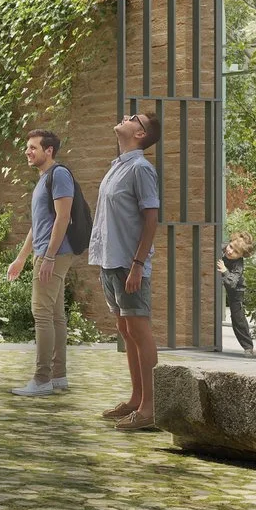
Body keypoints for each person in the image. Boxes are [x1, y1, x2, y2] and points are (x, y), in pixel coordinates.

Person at [89, 111, 163, 428]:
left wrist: (137, 264)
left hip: (129, 263)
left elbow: (151, 218)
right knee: (125, 330)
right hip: (110, 260)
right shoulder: (117, 167)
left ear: (140, 134)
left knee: (139, 329)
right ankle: (135, 399)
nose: (125, 117)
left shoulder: (141, 169)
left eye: (134, 118)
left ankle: (150, 408)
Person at [4, 127, 81, 397]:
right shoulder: (44, 179)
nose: (28, 151)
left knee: (42, 315)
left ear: (49, 151)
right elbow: (38, 225)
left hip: (55, 254)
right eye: (27, 146)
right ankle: (58, 376)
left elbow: (63, 217)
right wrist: (21, 258)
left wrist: (48, 256)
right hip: (49, 253)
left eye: (33, 147)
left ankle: (41, 379)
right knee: (56, 316)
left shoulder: (58, 175)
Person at [220, 231, 256, 355]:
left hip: (236, 288)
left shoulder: (238, 265)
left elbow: (232, 283)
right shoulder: (222, 247)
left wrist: (225, 271)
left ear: (242, 256)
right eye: (230, 246)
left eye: (235, 252)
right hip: (219, 280)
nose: (230, 251)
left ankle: (248, 347)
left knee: (237, 317)